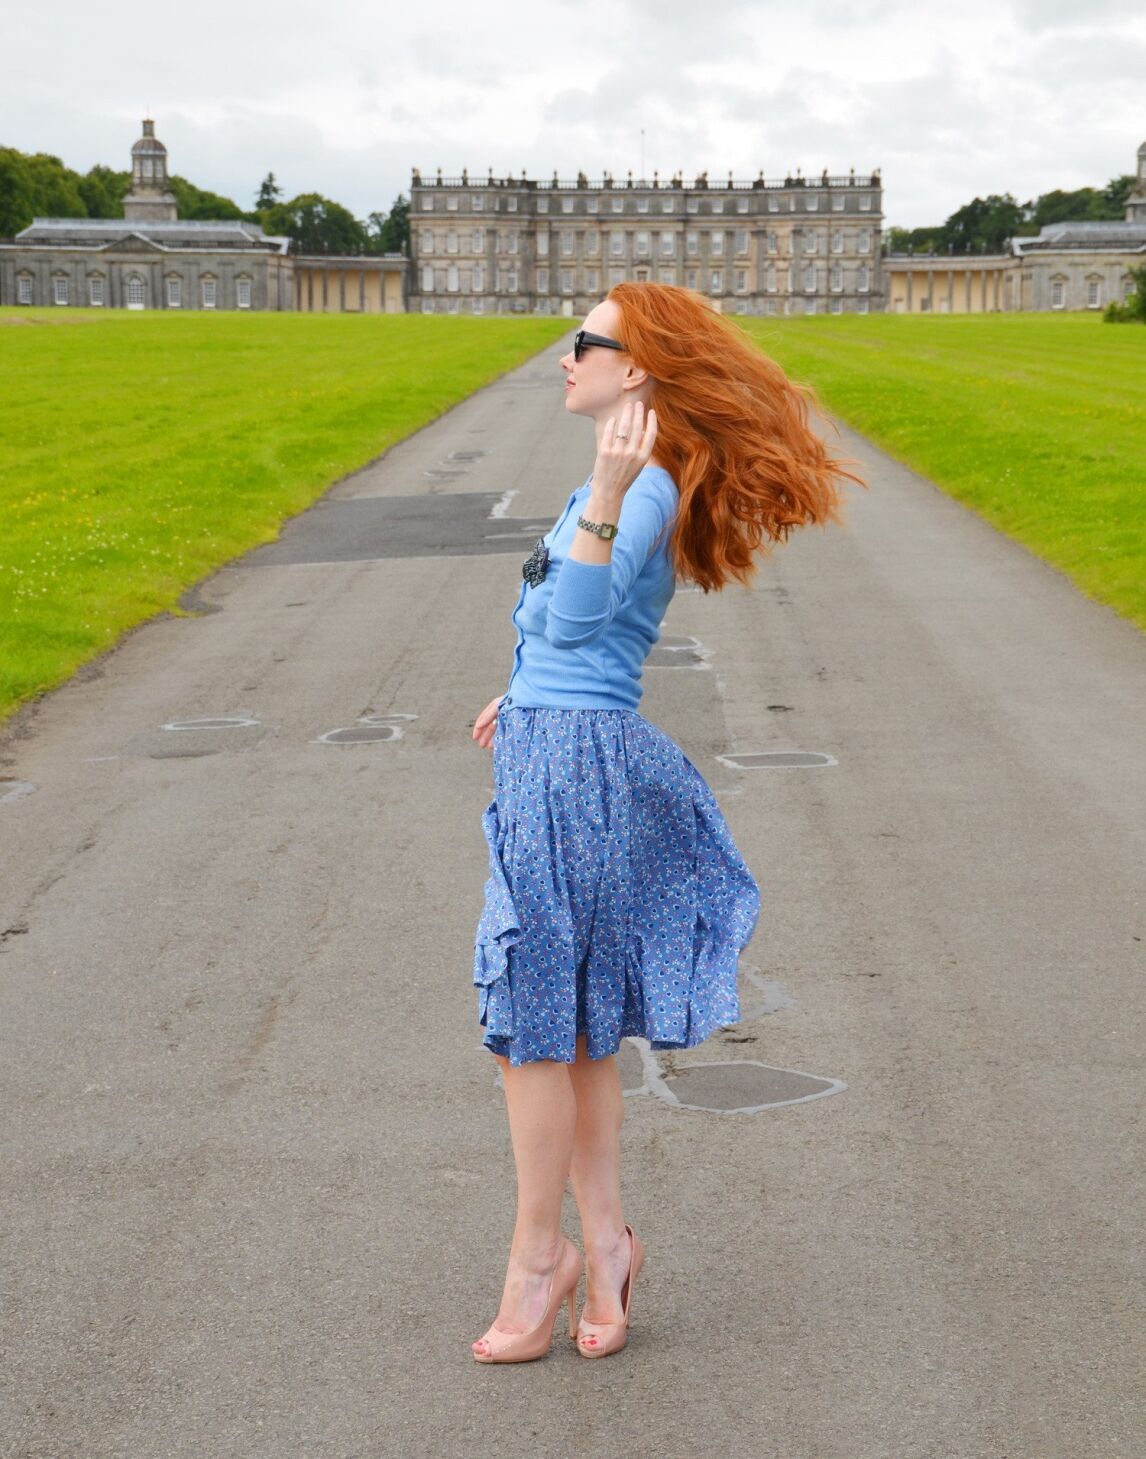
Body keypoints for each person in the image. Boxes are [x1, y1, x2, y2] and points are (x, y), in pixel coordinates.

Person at [467, 282, 864, 1364]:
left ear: (634, 367)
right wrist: (524, 688)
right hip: (553, 743)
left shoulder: (636, 482)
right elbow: (560, 630)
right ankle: (605, 1242)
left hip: (578, 765)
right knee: (576, 1022)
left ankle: (535, 1255)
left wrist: (600, 489)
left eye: (583, 342)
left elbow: (591, 613)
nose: (566, 356)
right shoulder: (620, 477)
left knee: (536, 1024)